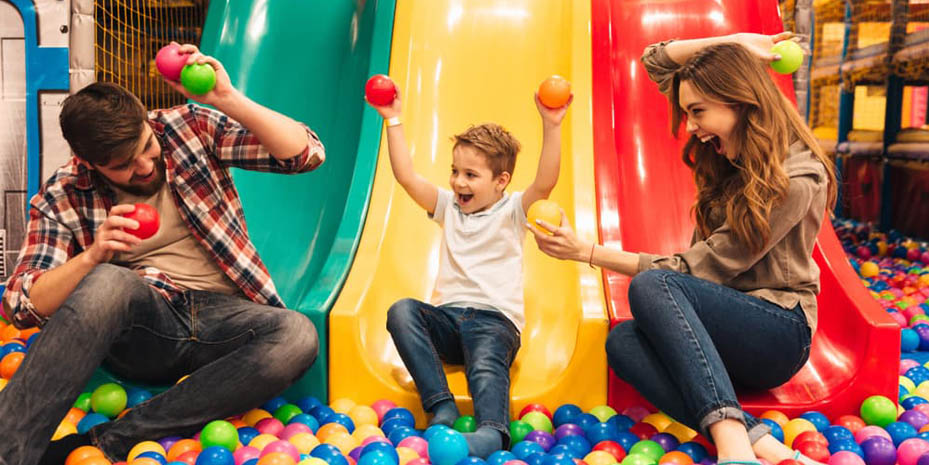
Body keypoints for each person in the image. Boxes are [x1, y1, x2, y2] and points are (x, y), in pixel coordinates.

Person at [0, 43, 324, 465]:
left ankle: (108, 442)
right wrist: (92, 256)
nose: (145, 167)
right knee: (108, 281)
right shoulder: (62, 195)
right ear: (89, 162)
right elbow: (19, 305)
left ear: (148, 122)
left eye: (146, 147)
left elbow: (306, 154)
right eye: (123, 165)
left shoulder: (187, 128)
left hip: (223, 320)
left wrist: (227, 99)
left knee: (296, 335)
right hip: (145, 329)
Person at [529, 33, 833, 465]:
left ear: (739, 100)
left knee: (654, 287)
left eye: (698, 112)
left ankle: (732, 448)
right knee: (623, 341)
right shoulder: (733, 160)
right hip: (721, 334)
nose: (690, 126)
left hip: (777, 333)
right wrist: (736, 42)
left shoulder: (796, 177)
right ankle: (762, 443)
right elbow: (656, 61)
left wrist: (589, 252)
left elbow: (701, 269)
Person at [365, 86, 572, 458]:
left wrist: (551, 124)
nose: (459, 182)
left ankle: (493, 430)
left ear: (501, 181)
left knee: (486, 367)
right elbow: (407, 177)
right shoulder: (448, 207)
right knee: (402, 311)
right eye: (455, 171)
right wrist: (392, 119)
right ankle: (440, 405)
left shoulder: (512, 212)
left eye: (471, 175)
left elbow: (545, 182)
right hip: (447, 319)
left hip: (494, 322)